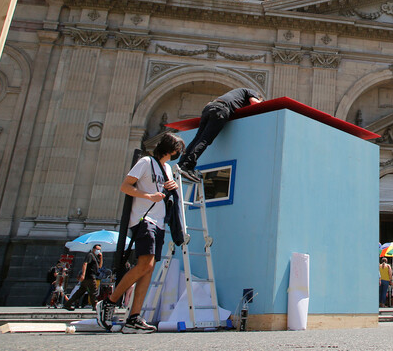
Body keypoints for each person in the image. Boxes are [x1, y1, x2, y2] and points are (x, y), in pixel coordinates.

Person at [96, 133, 183, 333]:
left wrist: (172, 187)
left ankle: (134, 318)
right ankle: (109, 302)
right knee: (145, 263)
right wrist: (149, 195)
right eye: (177, 149)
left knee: (148, 268)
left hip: (160, 221)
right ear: (169, 148)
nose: (177, 153)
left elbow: (165, 191)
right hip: (144, 219)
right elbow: (125, 186)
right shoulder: (145, 162)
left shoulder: (167, 168)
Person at [176, 87, 263, 182]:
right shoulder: (252, 92)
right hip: (221, 110)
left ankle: (181, 164)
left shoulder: (238, 94)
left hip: (209, 107)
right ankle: (188, 166)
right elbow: (254, 103)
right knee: (205, 140)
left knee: (197, 138)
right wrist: (263, 104)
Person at [64, 244, 102, 310]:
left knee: (80, 292)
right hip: (90, 276)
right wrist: (83, 274)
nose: (98, 251)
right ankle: (95, 306)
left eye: (99, 250)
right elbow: (85, 263)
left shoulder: (96, 257)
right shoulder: (90, 255)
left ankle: (68, 304)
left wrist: (101, 258)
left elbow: (100, 266)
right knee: (94, 291)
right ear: (93, 249)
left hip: (89, 277)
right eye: (97, 249)